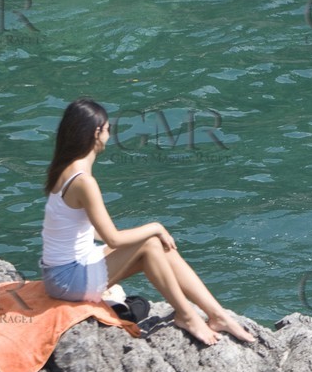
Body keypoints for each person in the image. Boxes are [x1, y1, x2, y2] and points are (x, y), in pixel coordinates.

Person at [40, 97, 255, 346]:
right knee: (151, 243)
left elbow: (90, 232)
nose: (110, 134)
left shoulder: (65, 169)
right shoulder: (83, 181)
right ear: (96, 133)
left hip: (63, 272)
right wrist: (155, 226)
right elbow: (112, 238)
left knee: (159, 247)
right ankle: (186, 316)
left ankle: (218, 315)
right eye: (108, 129)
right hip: (67, 280)